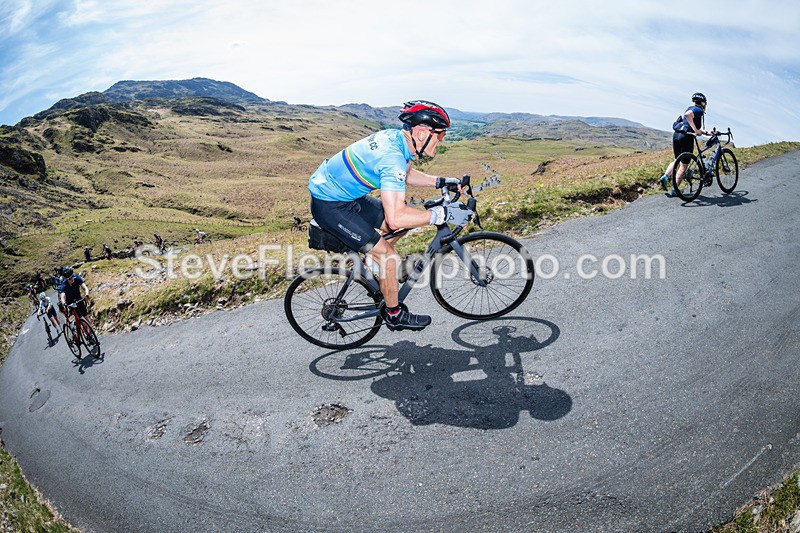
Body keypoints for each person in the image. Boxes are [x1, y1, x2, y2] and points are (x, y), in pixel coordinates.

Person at [307, 100, 472, 331]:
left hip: (345, 196)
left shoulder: (396, 139)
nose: (442, 140)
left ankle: (373, 262)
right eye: (441, 135)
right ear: (423, 133)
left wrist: (441, 181)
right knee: (390, 256)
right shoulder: (392, 156)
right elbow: (396, 216)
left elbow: (404, 174)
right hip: (331, 206)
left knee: (400, 226)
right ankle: (394, 315)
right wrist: (440, 214)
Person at [659, 92, 711, 196]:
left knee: (677, 160)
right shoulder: (698, 110)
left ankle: (665, 176)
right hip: (686, 138)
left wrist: (706, 132)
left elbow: (688, 121)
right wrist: (695, 130)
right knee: (684, 165)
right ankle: (675, 190)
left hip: (677, 135)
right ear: (702, 103)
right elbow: (688, 116)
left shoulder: (690, 107)